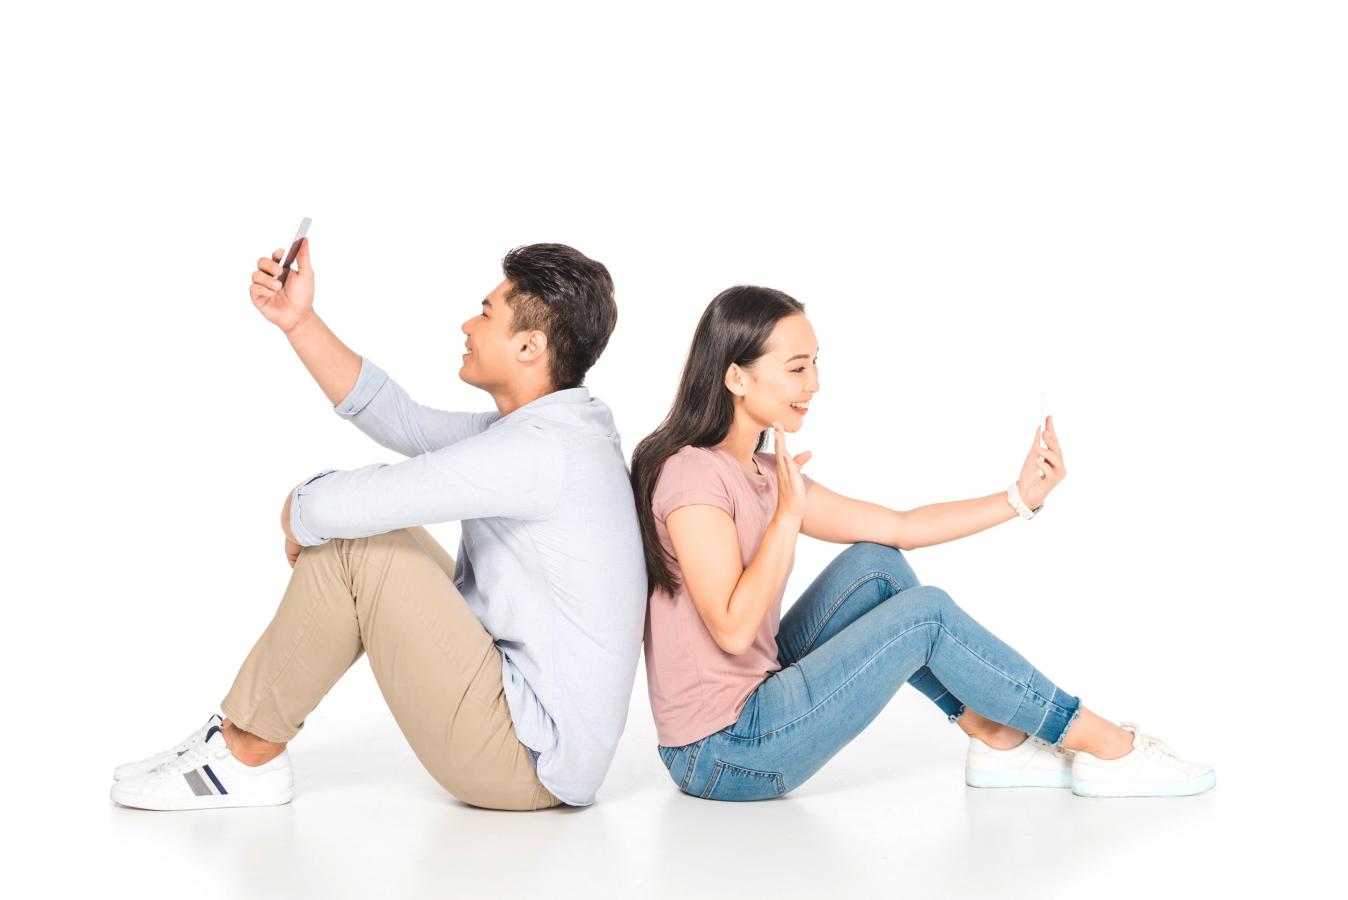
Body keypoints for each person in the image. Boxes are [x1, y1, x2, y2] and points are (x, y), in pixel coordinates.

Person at [109, 238, 647, 811]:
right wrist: (299, 321)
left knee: (355, 546)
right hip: (535, 731)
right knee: (364, 535)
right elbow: (404, 421)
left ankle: (245, 753)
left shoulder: (538, 453)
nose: (468, 325)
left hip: (526, 762)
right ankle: (237, 738)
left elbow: (362, 502)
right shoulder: (553, 432)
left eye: (486, 313)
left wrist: (298, 508)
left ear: (529, 345)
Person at [630, 285, 1215, 800]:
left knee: (876, 565)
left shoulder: (762, 472)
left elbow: (900, 526)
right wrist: (787, 518)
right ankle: (1103, 744)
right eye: (797, 368)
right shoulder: (692, 475)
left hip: (755, 704)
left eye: (816, 364)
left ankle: (994, 739)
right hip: (723, 751)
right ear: (737, 377)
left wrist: (1019, 497)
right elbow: (733, 630)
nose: (815, 384)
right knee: (926, 616)